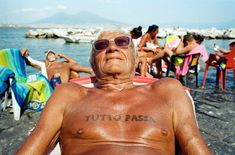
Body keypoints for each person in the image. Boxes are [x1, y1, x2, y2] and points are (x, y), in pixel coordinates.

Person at [16, 29, 212, 155]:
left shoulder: (167, 90)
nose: (111, 47)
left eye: (121, 42)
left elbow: (194, 144)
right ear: (93, 63)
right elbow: (35, 145)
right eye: (101, 46)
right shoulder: (69, 94)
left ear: (136, 59)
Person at [21, 49, 93, 86]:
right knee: (68, 65)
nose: (51, 55)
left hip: (63, 83)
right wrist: (26, 54)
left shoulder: (62, 63)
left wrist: (63, 56)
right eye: (49, 55)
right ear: (46, 58)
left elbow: (74, 63)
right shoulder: (45, 65)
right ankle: (91, 70)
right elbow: (29, 63)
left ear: (56, 57)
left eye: (53, 54)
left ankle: (91, 71)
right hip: (52, 83)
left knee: (73, 71)